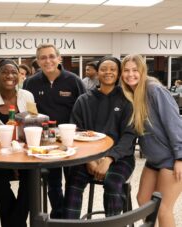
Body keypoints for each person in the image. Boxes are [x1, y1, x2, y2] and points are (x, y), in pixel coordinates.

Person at [63, 56, 136, 219]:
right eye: (104, 69)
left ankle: (113, 222)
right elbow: (75, 132)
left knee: (112, 183)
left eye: (113, 69)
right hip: (86, 157)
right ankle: (69, 224)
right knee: (72, 183)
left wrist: (109, 158)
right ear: (97, 73)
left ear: (118, 75)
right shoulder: (83, 100)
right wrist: (89, 160)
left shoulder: (127, 101)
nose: (108, 72)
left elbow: (129, 136)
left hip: (120, 158)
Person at [23, 43, 85, 218]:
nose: (48, 60)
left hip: (70, 141)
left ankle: (70, 218)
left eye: (51, 56)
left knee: (73, 183)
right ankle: (58, 216)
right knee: (53, 183)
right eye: (43, 57)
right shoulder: (30, 83)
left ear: (59, 58)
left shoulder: (74, 81)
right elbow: (28, 113)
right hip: (46, 143)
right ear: (38, 61)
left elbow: (83, 110)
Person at [120, 54, 182, 227]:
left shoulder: (154, 90)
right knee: (144, 200)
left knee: (163, 208)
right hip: (154, 158)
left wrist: (180, 158)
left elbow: (174, 124)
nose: (130, 74)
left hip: (171, 157)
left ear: (142, 71)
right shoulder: (131, 93)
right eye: (126, 70)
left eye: (135, 70)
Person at [0, 59, 34, 227]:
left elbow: (33, 126)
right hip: (0, 156)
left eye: (14, 72)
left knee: (32, 179)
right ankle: (18, 223)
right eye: (5, 72)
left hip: (26, 154)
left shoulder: (27, 96)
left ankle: (13, 224)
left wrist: (19, 159)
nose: (10, 75)